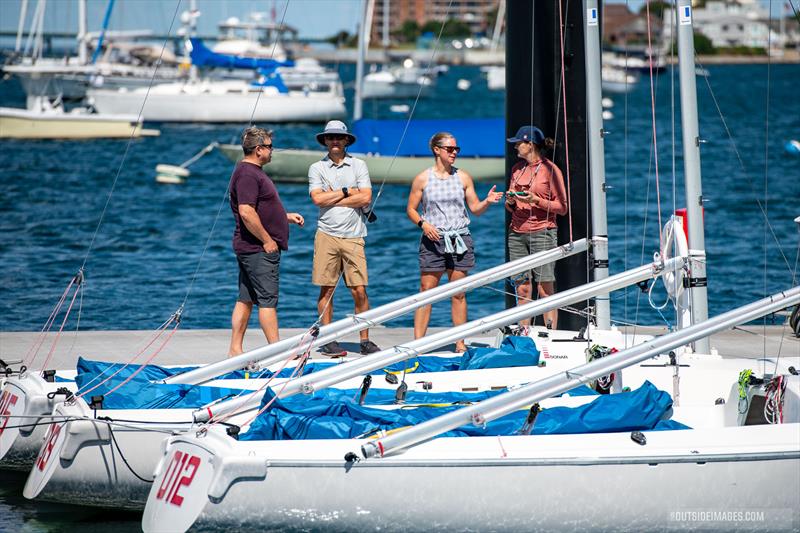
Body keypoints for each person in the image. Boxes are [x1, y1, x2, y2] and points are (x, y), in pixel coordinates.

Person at [406, 132, 503, 351]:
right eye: (450, 149)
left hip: (460, 239)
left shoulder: (463, 177)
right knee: (426, 292)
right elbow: (411, 209)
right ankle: (418, 344)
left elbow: (475, 209)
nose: (454, 153)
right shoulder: (423, 178)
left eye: (456, 149)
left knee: (458, 293)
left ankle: (460, 343)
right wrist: (424, 225)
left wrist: (487, 201)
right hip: (433, 239)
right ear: (436, 150)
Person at [228, 127, 304, 356]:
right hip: (258, 250)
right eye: (270, 147)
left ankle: (235, 350)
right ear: (258, 149)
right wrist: (267, 241)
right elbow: (246, 212)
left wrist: (284, 216)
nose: (273, 151)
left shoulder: (251, 172)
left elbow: (261, 207)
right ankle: (278, 351)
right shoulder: (249, 174)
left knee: (246, 299)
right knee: (268, 301)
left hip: (251, 248)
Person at [308, 120, 381, 356]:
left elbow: (366, 198)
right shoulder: (317, 168)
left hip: (354, 235)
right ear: (325, 141)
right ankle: (328, 338)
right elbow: (317, 200)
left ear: (347, 140)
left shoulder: (358, 165)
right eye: (330, 137)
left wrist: (334, 196)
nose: (335, 141)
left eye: (339, 137)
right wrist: (349, 191)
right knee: (327, 290)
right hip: (326, 234)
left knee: (359, 290)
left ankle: (365, 339)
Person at [505, 125, 568, 329]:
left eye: (518, 143)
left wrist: (537, 200)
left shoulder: (551, 170)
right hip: (517, 234)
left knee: (544, 288)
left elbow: (563, 208)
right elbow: (511, 205)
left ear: (529, 145)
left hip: (543, 232)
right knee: (522, 288)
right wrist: (511, 201)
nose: (515, 147)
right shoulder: (517, 169)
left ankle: (550, 335)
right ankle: (524, 334)